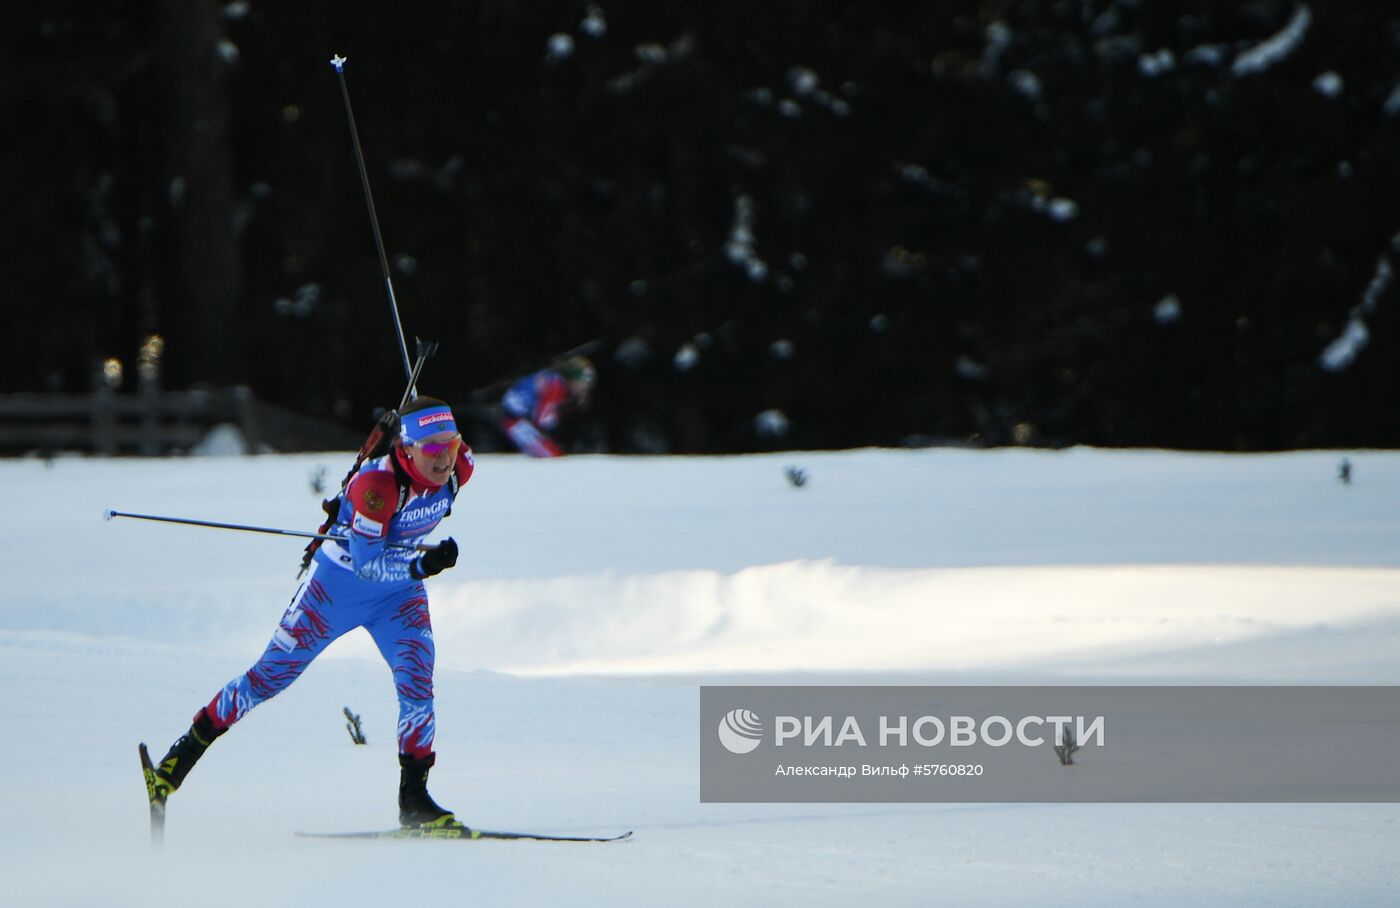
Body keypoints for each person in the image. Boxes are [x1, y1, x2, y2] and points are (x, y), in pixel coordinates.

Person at [143, 396, 474, 830]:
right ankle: (174, 765)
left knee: (418, 683)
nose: (444, 460)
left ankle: (414, 799)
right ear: (406, 449)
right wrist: (421, 565)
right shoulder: (376, 486)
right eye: (432, 450)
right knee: (266, 679)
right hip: (336, 590)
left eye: (450, 447)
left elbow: (449, 456)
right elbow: (368, 564)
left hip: (398, 595)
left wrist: (414, 570)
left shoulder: (461, 467)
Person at [499, 355, 596, 457]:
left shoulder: (553, 380)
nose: (583, 389)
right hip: (515, 421)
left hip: (519, 418)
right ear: (572, 379)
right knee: (551, 456)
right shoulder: (555, 386)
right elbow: (544, 421)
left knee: (551, 453)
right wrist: (569, 408)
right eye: (582, 384)